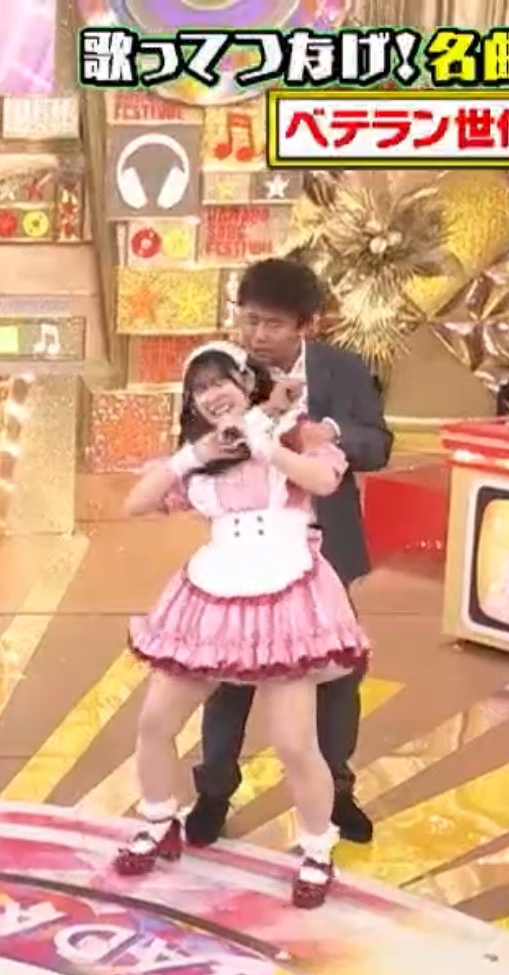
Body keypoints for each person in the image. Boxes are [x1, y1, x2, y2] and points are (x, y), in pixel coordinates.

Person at [123, 343, 371, 907]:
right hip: (213, 595)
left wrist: (266, 444)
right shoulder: (202, 457)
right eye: (198, 388)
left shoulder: (294, 432)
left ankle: (317, 850)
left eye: (220, 381)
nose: (212, 395)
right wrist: (192, 455)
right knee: (155, 722)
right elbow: (135, 503)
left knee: (294, 742)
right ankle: (159, 822)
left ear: (245, 381)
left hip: (285, 596)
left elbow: (324, 480)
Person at [187, 259, 390, 848]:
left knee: (336, 680)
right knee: (231, 678)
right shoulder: (220, 372)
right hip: (246, 553)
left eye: (272, 324)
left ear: (308, 324)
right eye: (248, 320)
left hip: (322, 553)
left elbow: (378, 445)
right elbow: (193, 448)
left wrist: (329, 433)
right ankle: (213, 791)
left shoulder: (344, 370)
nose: (256, 335)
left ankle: (338, 792)